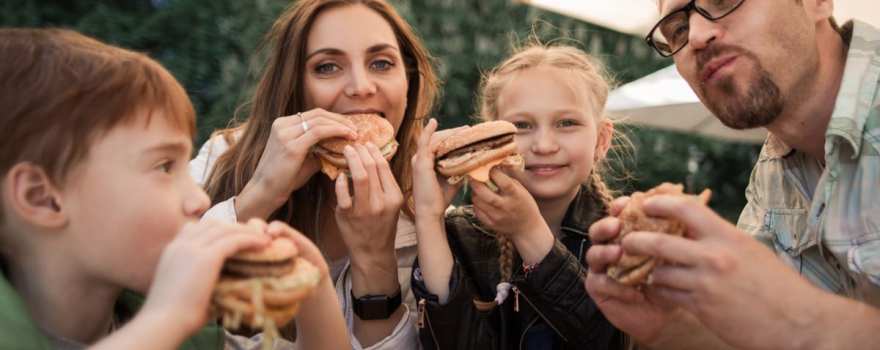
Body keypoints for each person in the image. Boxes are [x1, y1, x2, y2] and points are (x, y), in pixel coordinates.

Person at [0, 28, 348, 350]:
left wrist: (312, 287)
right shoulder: (169, 319)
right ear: (42, 198)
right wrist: (168, 317)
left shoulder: (184, 331)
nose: (199, 199)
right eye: (164, 166)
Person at [585, 0, 880, 348]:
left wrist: (799, 319)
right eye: (676, 29)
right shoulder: (772, 171)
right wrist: (675, 329)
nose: (695, 35)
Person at [189, 0, 438, 348]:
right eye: (327, 67)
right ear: (294, 84)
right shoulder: (224, 156)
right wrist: (261, 193)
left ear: (408, 81)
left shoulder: (429, 215)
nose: (361, 87)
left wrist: (374, 259)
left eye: (381, 63)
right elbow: (154, 293)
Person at [410, 43, 626, 349]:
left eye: (567, 123)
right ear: (489, 139)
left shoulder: (624, 237)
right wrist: (429, 218)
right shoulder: (461, 233)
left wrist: (528, 232)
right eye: (521, 126)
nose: (544, 145)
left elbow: (614, 341)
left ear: (601, 140)